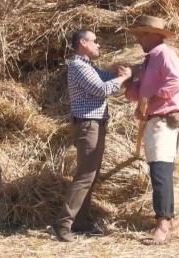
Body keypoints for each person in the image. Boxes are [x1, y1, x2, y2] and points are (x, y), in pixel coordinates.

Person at [54, 30, 132, 242]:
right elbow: (100, 89)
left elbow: (104, 77)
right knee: (85, 175)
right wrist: (123, 78)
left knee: (91, 175)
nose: (99, 45)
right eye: (95, 41)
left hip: (94, 125)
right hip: (89, 126)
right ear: (83, 43)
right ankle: (63, 224)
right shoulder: (78, 66)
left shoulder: (88, 67)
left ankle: (80, 222)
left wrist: (121, 72)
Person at [125, 15, 179, 244]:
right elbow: (135, 95)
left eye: (141, 34)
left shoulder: (164, 54)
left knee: (160, 172)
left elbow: (175, 82)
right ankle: (168, 221)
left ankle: (162, 225)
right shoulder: (149, 60)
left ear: (152, 35)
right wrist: (129, 80)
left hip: (162, 120)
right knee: (160, 171)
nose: (138, 38)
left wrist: (149, 97)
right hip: (153, 120)